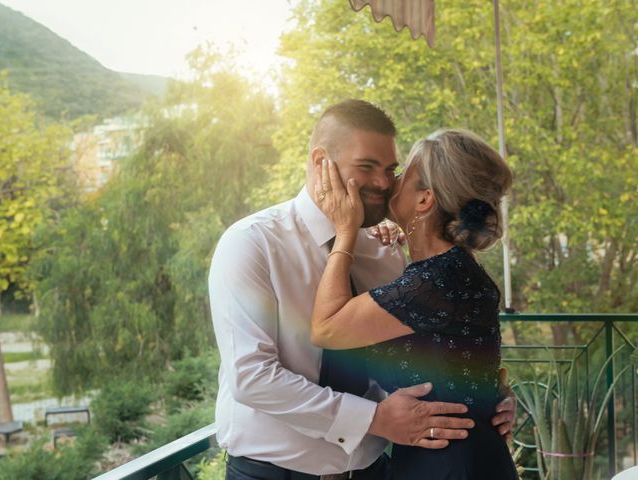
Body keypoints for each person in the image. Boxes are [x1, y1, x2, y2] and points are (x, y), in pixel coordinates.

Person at [209, 100, 516, 480]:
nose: (385, 183)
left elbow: (429, 348)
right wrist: (375, 419)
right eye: (367, 167)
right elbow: (251, 378)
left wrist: (483, 398)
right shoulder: (252, 243)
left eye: (392, 170)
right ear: (322, 162)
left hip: (378, 471)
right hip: (274, 473)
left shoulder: (389, 251)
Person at [310, 128, 519, 479]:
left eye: (403, 173)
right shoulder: (450, 270)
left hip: (448, 465)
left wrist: (346, 230)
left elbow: (325, 328)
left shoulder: (436, 280)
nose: (390, 182)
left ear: (424, 200)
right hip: (458, 457)